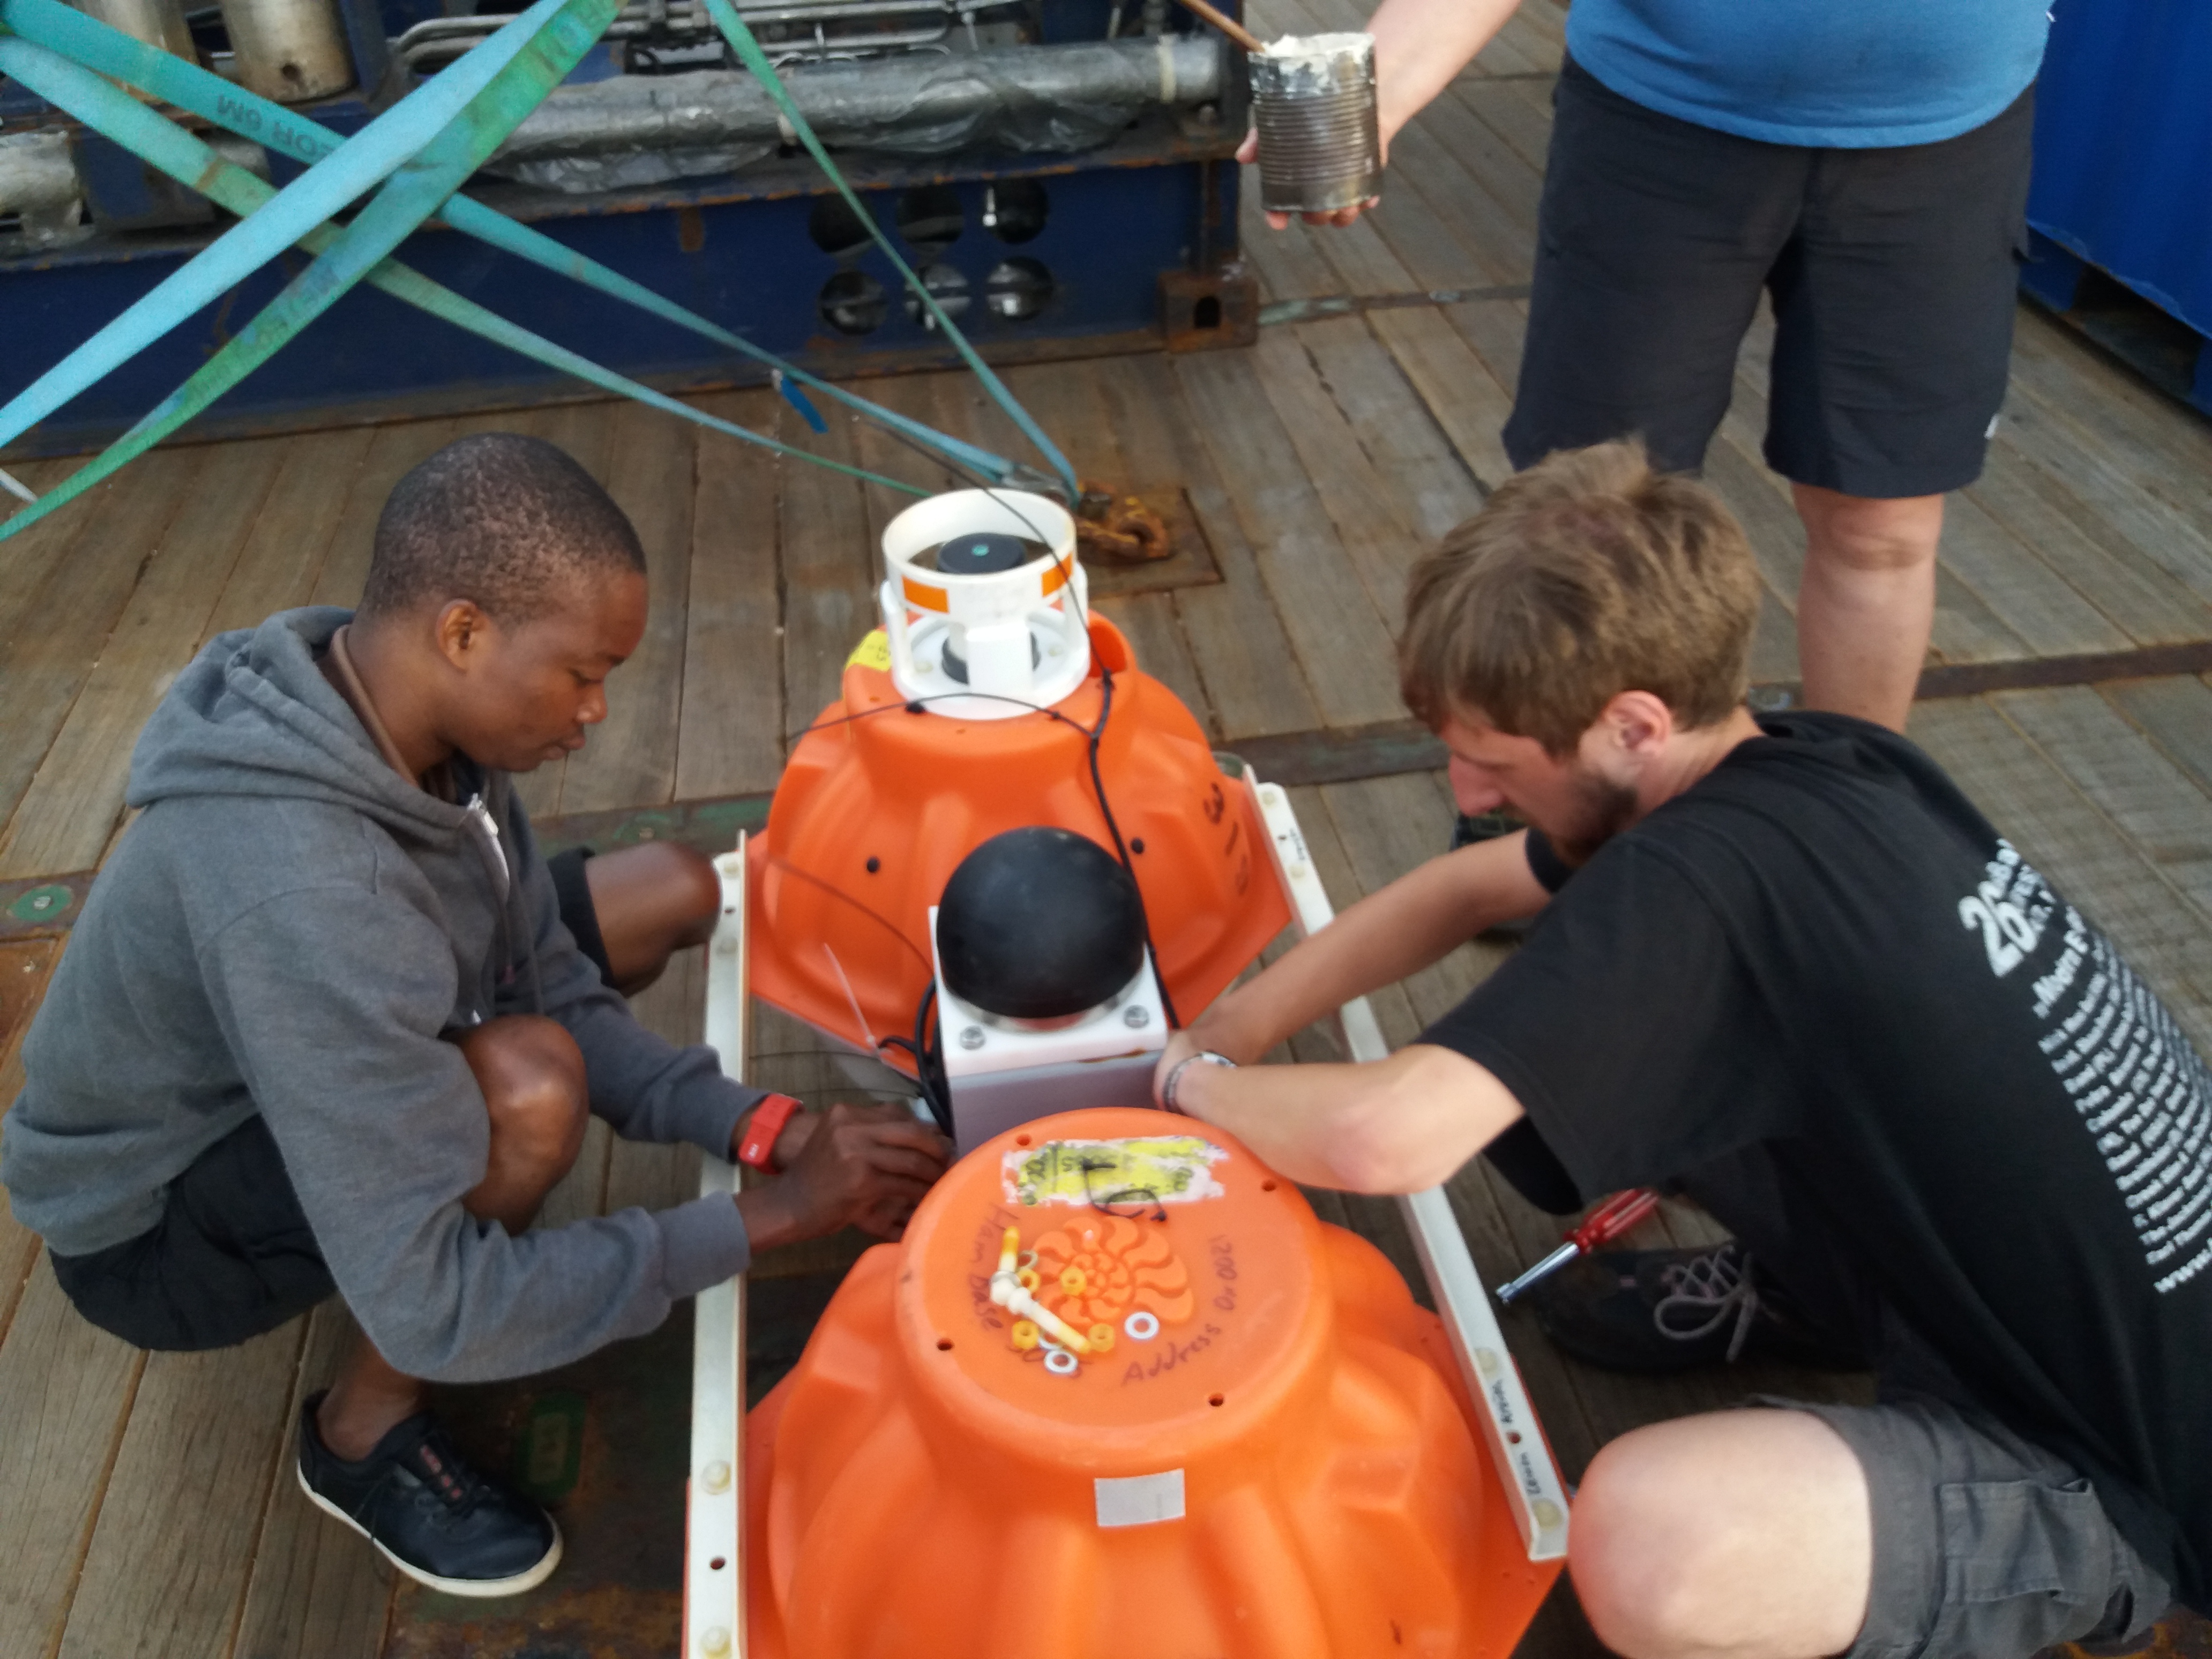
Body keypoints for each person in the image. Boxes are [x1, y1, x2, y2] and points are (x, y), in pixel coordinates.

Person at [1152, 442, 2206, 1658]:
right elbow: (1466, 886)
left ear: (1634, 725)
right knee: (1677, 1058)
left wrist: (1190, 1086)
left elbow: (1386, 1137)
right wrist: (1238, 1021)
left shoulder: (1697, 897)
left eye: (1493, 761)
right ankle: (1828, 1296)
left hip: (2131, 1472)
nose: (1469, 788)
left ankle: (2077, 1572)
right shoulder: (1819, 759)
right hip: (2076, 1291)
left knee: (1652, 1539)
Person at [0, 434, 951, 1598]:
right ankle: (358, 1436)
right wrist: (776, 1220)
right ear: (462, 633)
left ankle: (457, 1157)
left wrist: (762, 1131)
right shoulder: (309, 893)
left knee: (671, 889)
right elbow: (439, 1300)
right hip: (156, 1227)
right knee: (531, 1088)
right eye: (582, 674)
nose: (598, 712)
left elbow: (538, 969)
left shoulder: (409, 719)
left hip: (330, 1025)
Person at [1248, 0, 2049, 735]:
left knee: (1882, 528)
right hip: (1659, 126)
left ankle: (1847, 807)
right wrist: (1376, 90)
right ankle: (1564, 816)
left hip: (1946, 139)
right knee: (1591, 517)